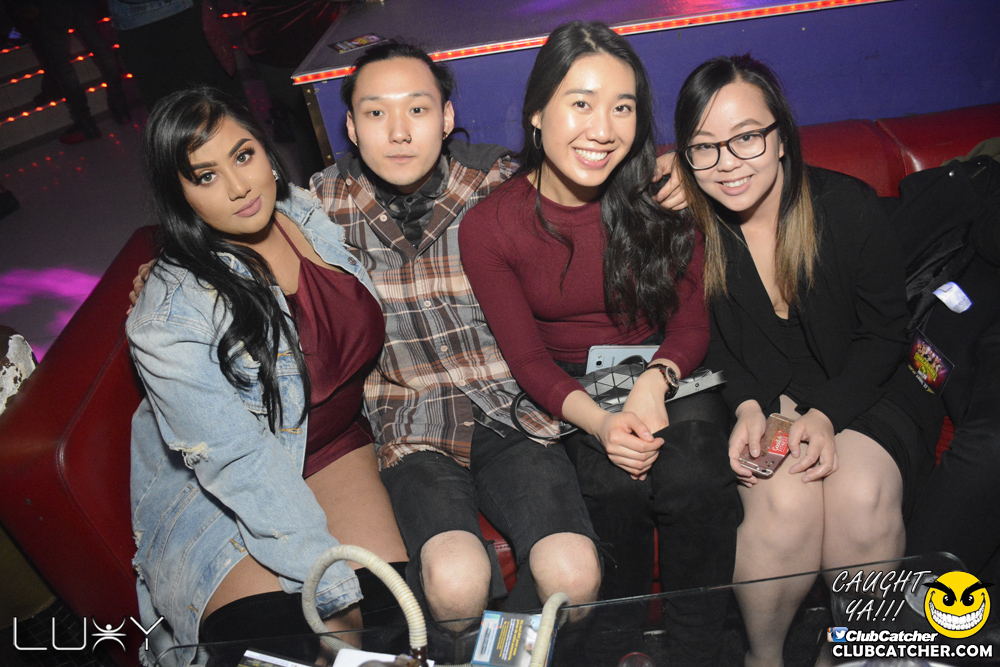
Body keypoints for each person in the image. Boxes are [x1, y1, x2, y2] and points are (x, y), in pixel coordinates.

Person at [458, 21, 741, 664]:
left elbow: (691, 325)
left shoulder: (664, 194)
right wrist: (602, 422)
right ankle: (618, 649)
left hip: (669, 364)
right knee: (614, 486)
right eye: (581, 102)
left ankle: (697, 651)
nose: (603, 128)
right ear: (537, 113)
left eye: (622, 107)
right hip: (572, 383)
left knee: (696, 474)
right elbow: (527, 359)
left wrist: (654, 383)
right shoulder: (491, 225)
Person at [672, 54, 943, 666]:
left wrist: (825, 414)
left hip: (865, 384)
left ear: (781, 135)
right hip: (759, 391)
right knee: (786, 503)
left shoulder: (846, 206)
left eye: (746, 137)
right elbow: (704, 338)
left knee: (860, 495)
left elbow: (885, 334)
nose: (728, 163)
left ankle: (850, 653)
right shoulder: (690, 231)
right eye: (705, 146)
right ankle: (763, 656)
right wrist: (745, 405)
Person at [127, 87, 406, 667]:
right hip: (227, 485)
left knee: (388, 624)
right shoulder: (168, 317)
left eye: (244, 155)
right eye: (205, 176)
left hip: (333, 445)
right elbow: (238, 463)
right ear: (179, 195)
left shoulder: (306, 211)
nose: (238, 186)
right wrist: (329, 589)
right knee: (285, 644)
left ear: (266, 149)